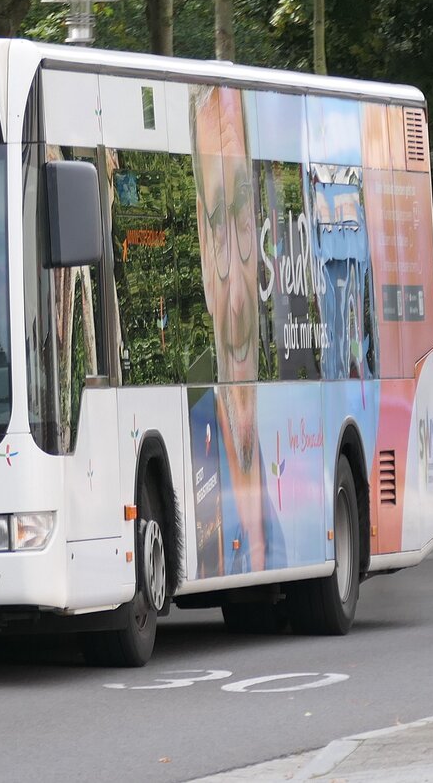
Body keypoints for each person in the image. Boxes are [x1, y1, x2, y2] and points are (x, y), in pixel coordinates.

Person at [189, 84, 283, 575]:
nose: (234, 270)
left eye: (241, 213)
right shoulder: (191, 427)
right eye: (218, 222)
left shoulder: (288, 414)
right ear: (204, 252)